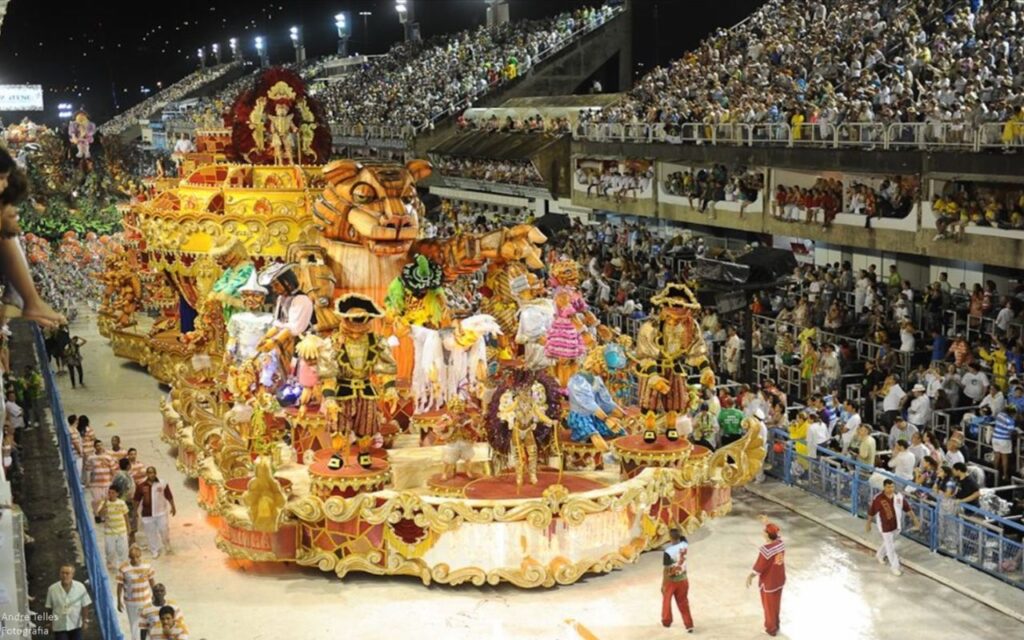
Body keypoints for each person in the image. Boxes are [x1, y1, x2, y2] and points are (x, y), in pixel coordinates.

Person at [866, 479, 922, 576]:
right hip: (885, 526)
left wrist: (915, 520)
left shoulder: (899, 497)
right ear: (884, 487)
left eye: (892, 486)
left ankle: (879, 554)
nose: (891, 489)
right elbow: (871, 512)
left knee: (889, 543)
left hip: (896, 525)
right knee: (890, 546)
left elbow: (908, 509)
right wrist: (868, 523)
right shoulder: (878, 498)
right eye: (888, 487)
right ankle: (895, 567)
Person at [746, 520, 786, 637]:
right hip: (779, 580)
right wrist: (767, 521)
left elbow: (760, 566)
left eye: (764, 531)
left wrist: (751, 576)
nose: (762, 533)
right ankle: (776, 624)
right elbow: (776, 533)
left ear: (768, 535)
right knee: (776, 605)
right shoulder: (780, 543)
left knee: (768, 607)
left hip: (769, 582)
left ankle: (771, 629)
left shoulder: (766, 549)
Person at [134, 466, 176, 558]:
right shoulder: (141, 485)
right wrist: (135, 511)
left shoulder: (162, 483)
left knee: (164, 530)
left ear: (155, 473)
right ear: (147, 474)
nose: (151, 474)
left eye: (152, 472)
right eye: (149, 472)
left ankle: (167, 545)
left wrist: (173, 507)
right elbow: (136, 499)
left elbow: (169, 496)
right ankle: (155, 550)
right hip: (147, 515)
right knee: (151, 533)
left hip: (161, 513)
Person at [118, 544, 156, 640]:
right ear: (129, 557)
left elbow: (152, 581)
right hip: (131, 603)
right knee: (135, 625)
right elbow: (120, 585)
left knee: (148, 623)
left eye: (137, 557)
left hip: (146, 600)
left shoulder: (147, 566)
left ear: (140, 556)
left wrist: (154, 594)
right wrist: (119, 601)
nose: (135, 560)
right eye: (132, 557)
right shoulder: (123, 568)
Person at [45, 564, 92, 640]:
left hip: (76, 625)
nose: (64, 575)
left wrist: (85, 620)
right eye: (62, 573)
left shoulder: (80, 587)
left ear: (72, 575)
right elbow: (49, 607)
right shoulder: (52, 589)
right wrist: (48, 623)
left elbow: (85, 605)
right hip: (60, 626)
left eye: (67, 573)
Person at [661, 528, 694, 633]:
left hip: (671, 580)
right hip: (683, 579)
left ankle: (667, 621)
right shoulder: (685, 544)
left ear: (670, 538)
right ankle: (689, 625)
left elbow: (666, 570)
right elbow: (682, 530)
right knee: (683, 602)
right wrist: (675, 520)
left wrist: (663, 584)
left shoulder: (668, 552)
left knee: (667, 601)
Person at [97, 485, 131, 572]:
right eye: (109, 492)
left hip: (121, 530)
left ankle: (123, 567)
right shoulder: (104, 503)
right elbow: (100, 515)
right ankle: (111, 566)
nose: (110, 494)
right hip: (109, 532)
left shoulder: (121, 503)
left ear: (117, 494)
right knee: (110, 551)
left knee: (123, 550)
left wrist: (128, 528)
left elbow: (126, 515)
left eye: (113, 493)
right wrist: (104, 504)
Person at [992, 406, 1019, 486]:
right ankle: (1005, 475)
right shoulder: (1010, 420)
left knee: (996, 456)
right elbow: (1011, 432)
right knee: (1004, 458)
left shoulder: (999, 415)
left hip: (995, 438)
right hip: (1004, 440)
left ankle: (994, 472)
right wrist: (1017, 433)